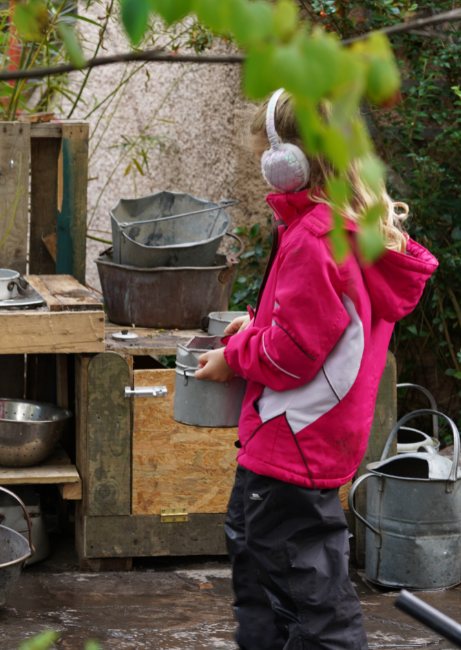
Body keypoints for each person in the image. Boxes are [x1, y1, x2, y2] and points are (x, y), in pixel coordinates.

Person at [194, 89, 438, 649]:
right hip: (308, 436)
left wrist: (233, 358)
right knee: (261, 554)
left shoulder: (315, 237)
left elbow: (292, 353)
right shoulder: (351, 230)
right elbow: (308, 323)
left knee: (308, 590)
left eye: (263, 154)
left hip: (292, 437)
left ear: (289, 163)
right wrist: (251, 329)